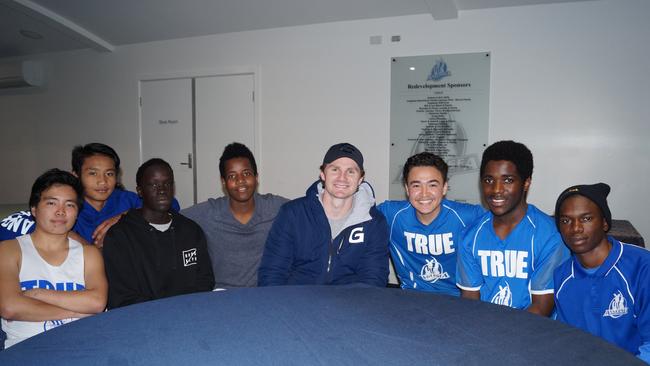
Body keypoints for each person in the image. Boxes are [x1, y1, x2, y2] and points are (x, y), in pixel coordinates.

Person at [456, 140, 568, 316]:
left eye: (507, 180)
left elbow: (541, 307)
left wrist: (501, 339)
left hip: (532, 333)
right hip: (482, 329)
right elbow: (470, 298)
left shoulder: (549, 236)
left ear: (526, 183)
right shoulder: (470, 236)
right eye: (488, 180)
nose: (496, 190)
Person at [0, 169, 107, 348]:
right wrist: (77, 312)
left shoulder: (89, 254)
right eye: (51, 203)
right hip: (25, 349)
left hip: (82, 346)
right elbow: (10, 307)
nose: (60, 212)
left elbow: (96, 302)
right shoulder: (9, 250)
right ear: (34, 209)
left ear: (77, 212)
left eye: (70, 205)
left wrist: (37, 294)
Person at [258, 143, 389, 287]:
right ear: (323, 174)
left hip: (348, 303)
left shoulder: (375, 223)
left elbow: (373, 280)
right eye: (335, 169)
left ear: (360, 179)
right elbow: (273, 273)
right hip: (296, 302)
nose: (342, 178)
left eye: (351, 171)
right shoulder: (292, 214)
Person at [0, 143, 180, 246]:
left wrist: (128, 216)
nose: (102, 182)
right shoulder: (68, 206)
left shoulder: (125, 200)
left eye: (109, 174)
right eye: (93, 173)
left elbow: (171, 205)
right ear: (76, 175)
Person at [554, 183, 650, 362]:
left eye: (586, 218)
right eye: (566, 220)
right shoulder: (562, 277)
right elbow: (567, 343)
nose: (575, 228)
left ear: (605, 222)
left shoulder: (642, 266)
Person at [102, 159, 214, 309]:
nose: (162, 190)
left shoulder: (191, 231)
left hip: (189, 315)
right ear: (140, 191)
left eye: (167, 184)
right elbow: (122, 296)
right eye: (153, 184)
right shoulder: (120, 237)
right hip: (142, 320)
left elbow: (205, 281)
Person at [182, 143, 288, 288]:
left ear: (256, 177)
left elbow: (307, 208)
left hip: (262, 296)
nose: (240, 180)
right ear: (224, 182)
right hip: (221, 297)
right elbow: (173, 218)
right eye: (232, 176)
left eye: (246, 173)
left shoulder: (274, 207)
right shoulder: (210, 212)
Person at [378, 152, 484, 295]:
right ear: (407, 189)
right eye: (416, 185)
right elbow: (357, 212)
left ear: (445, 187)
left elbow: (506, 219)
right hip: (411, 298)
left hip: (457, 301)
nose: (424, 194)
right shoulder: (392, 214)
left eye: (432, 185)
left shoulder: (467, 216)